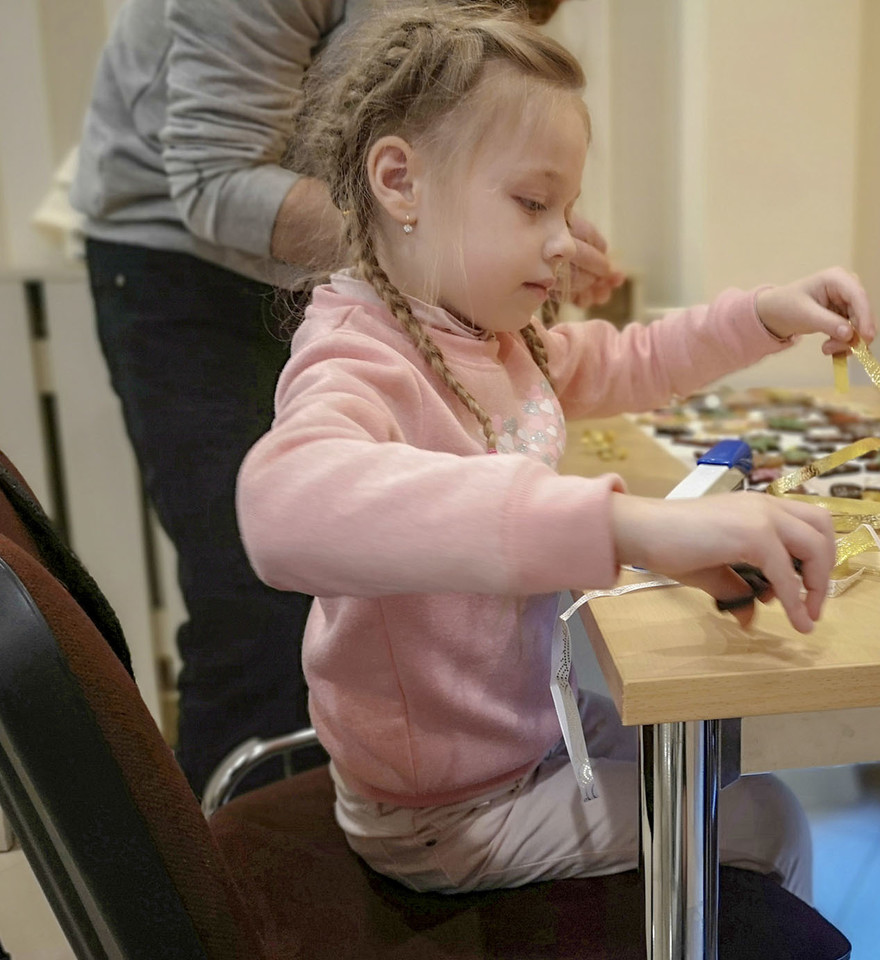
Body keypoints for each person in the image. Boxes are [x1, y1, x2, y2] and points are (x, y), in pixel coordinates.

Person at [234, 2, 878, 899]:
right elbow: (283, 506)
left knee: (710, 759)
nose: (563, 241)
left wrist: (768, 314)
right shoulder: (357, 353)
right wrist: (625, 527)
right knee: (766, 818)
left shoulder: (497, 339)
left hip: (528, 733)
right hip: (442, 811)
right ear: (400, 181)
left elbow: (634, 358)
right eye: (532, 203)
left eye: (566, 209)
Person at [70, 0, 622, 797]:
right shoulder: (364, 307)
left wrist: (507, 227)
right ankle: (225, 867)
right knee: (253, 610)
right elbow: (218, 181)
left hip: (366, 240)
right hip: (184, 272)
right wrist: (463, 241)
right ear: (395, 186)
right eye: (536, 205)